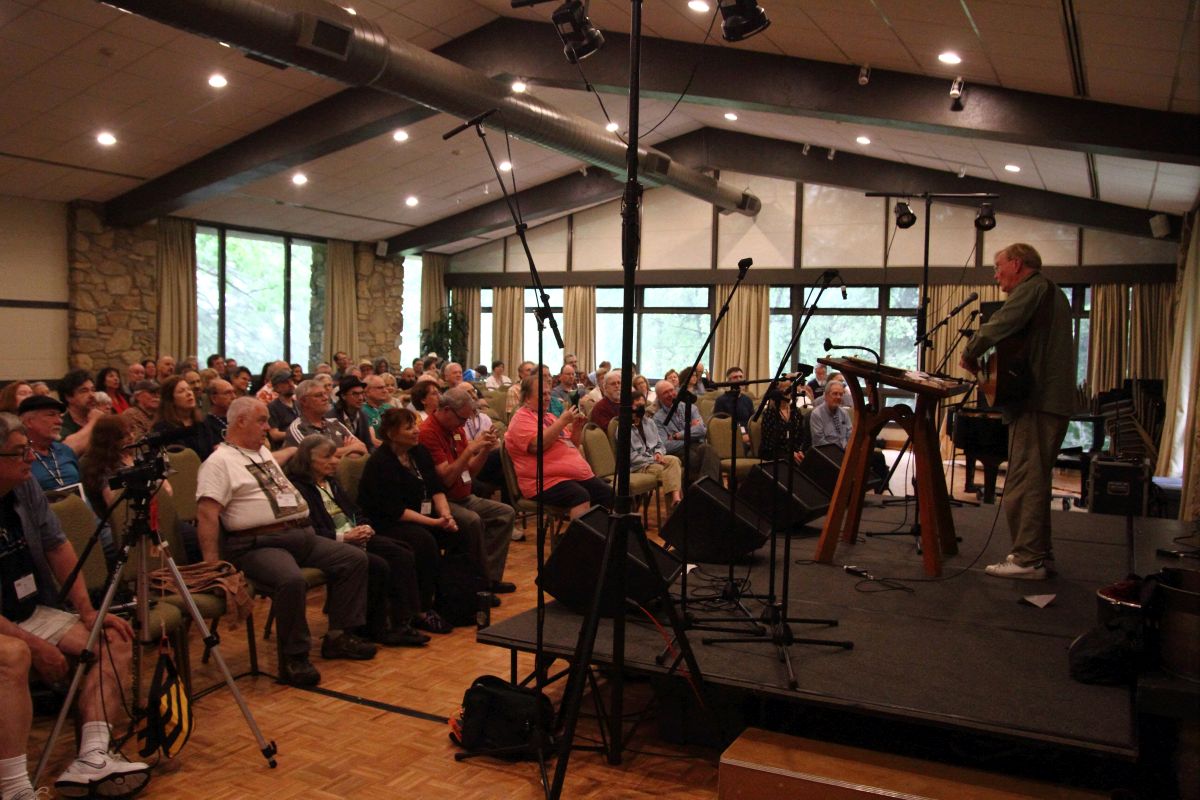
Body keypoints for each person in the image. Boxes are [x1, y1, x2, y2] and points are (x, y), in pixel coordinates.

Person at [0, 412, 151, 799]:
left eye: (28, 450)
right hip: (6, 626)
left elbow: (56, 545)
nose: (30, 459)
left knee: (112, 635)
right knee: (14, 655)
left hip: (29, 609)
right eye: (19, 453)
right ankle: (14, 787)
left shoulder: (24, 487)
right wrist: (36, 646)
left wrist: (86, 611)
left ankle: (93, 756)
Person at [196, 397, 376, 687]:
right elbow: (207, 514)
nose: (268, 427)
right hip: (258, 544)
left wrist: (291, 450)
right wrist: (212, 565)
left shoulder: (262, 453)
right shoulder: (218, 463)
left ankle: (338, 636)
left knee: (353, 558)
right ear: (240, 421)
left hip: (299, 535)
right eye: (262, 420)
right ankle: (295, 657)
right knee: (290, 580)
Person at [961, 243, 1075, 580]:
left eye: (998, 267)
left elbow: (1001, 323)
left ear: (1017, 263)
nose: (996, 275)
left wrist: (971, 350)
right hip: (1047, 402)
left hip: (1037, 404)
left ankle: (1027, 560)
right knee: (1035, 480)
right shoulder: (1051, 294)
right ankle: (1040, 553)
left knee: (1023, 481)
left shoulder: (1032, 289)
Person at [285, 436, 428, 647]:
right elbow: (308, 531)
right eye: (327, 456)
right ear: (307, 459)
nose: (335, 461)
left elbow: (355, 510)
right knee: (378, 564)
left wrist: (365, 525)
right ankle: (377, 627)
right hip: (331, 543)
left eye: (335, 455)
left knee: (402, 552)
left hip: (353, 536)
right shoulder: (299, 488)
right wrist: (344, 537)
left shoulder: (331, 482)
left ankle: (402, 619)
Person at [357, 408, 467, 635]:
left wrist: (446, 515)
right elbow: (395, 511)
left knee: (460, 533)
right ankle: (421, 610)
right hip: (387, 522)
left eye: (416, 425)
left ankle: (451, 599)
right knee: (424, 541)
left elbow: (436, 489)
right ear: (390, 433)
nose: (417, 430)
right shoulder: (381, 462)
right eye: (409, 427)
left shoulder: (419, 452)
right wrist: (435, 523)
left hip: (420, 515)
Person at [418, 388, 515, 594]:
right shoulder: (428, 433)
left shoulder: (456, 428)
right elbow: (446, 478)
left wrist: (484, 450)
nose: (464, 425)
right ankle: (478, 584)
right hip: (442, 501)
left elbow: (471, 472)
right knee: (472, 521)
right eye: (462, 419)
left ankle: (490, 577)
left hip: (464, 495)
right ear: (446, 410)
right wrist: (471, 449)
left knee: (505, 513)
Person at [505, 374, 612, 519]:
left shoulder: (549, 417)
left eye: (549, 393)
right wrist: (562, 422)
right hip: (542, 482)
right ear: (527, 398)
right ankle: (579, 540)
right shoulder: (521, 419)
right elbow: (536, 446)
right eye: (542, 394)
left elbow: (571, 446)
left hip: (569, 476)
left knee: (608, 494)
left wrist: (577, 429)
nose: (548, 397)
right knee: (580, 496)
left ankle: (604, 537)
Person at [653, 379, 720, 484]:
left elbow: (702, 430)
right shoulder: (658, 418)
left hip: (697, 446)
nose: (670, 394)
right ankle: (710, 491)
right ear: (659, 397)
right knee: (709, 457)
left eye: (671, 390)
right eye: (665, 392)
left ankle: (701, 491)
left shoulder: (691, 407)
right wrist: (691, 433)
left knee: (707, 449)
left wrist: (676, 436)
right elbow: (665, 445)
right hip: (679, 452)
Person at [284, 380, 368, 458]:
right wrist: (350, 449)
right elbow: (316, 456)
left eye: (325, 394)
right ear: (304, 401)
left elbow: (362, 447)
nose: (325, 398)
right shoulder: (298, 428)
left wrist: (337, 453)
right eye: (319, 395)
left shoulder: (334, 423)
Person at [629, 390, 682, 509]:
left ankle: (676, 501)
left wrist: (658, 453)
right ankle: (676, 507)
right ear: (630, 407)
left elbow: (659, 444)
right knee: (672, 474)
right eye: (638, 405)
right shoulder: (623, 428)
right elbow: (631, 457)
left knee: (674, 460)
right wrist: (652, 459)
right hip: (640, 466)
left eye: (643, 404)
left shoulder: (649, 422)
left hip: (655, 459)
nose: (641, 407)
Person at [152, 375, 208, 456]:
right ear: (171, 399)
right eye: (181, 391)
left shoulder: (202, 422)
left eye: (189, 389)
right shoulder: (163, 429)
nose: (189, 393)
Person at [760, 382, 809, 464]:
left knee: (808, 458)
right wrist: (790, 453)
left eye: (790, 390)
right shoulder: (769, 413)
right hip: (773, 451)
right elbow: (770, 441)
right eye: (785, 390)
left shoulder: (796, 411)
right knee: (791, 461)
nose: (789, 393)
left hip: (794, 450)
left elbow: (801, 435)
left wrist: (800, 450)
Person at [56, 370, 104, 454]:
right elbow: (69, 450)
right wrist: (94, 421)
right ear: (68, 397)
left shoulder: (103, 421)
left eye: (93, 390)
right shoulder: (60, 425)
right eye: (84, 391)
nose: (92, 395)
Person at [329, 376, 376, 451]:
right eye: (355, 394)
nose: (361, 398)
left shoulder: (363, 415)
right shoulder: (331, 418)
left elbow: (369, 445)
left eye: (362, 393)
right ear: (343, 396)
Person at [713, 366, 753, 451]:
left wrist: (749, 434)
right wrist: (741, 433)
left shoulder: (748, 400)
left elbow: (752, 421)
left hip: (748, 434)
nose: (739, 379)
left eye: (741, 377)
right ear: (729, 381)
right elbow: (719, 425)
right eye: (735, 377)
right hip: (730, 435)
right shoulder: (721, 400)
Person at [198, 379, 236, 460]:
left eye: (233, 392)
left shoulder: (237, 419)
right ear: (214, 398)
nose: (233, 397)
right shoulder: (205, 425)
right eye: (228, 393)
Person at [810, 379, 851, 450]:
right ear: (826, 396)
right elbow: (819, 442)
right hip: (827, 454)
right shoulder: (817, 414)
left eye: (841, 394)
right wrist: (838, 451)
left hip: (846, 451)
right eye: (835, 393)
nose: (838, 397)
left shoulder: (844, 413)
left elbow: (850, 434)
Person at [265, 370, 299, 450]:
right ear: (277, 388)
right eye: (286, 382)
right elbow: (274, 435)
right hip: (284, 449)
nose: (291, 384)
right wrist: (296, 433)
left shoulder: (298, 404)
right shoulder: (272, 407)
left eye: (291, 381)